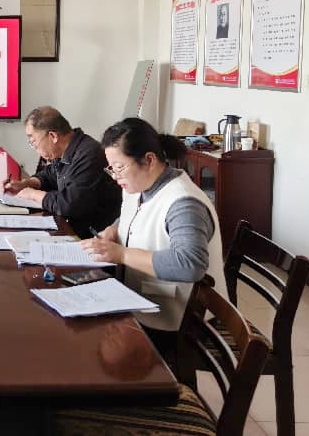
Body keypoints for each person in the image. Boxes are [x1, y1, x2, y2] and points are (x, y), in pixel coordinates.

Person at [79, 117, 227, 361]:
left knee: (90, 347)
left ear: (149, 160)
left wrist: (122, 254)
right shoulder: (139, 185)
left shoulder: (183, 204)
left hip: (178, 322)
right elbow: (135, 215)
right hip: (142, 301)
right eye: (111, 168)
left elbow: (190, 264)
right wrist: (114, 229)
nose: (114, 176)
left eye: (119, 167)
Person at [4, 106, 121, 238]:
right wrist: (27, 183)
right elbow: (50, 175)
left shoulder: (89, 155)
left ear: (53, 136)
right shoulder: (65, 151)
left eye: (33, 142)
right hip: (73, 227)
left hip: (93, 236)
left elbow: (69, 204)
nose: (34, 148)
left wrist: (32, 194)